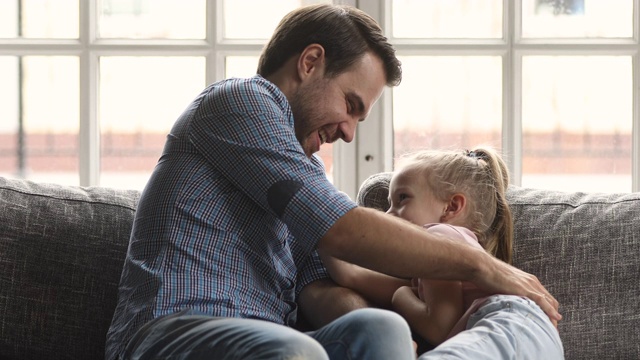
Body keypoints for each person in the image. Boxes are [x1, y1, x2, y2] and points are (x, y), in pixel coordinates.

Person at [105, 4, 561, 360]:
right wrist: (480, 265)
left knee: (380, 330)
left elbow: (323, 289)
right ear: (310, 62)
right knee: (294, 351)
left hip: (273, 342)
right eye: (350, 103)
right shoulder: (241, 102)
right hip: (172, 332)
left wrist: (398, 342)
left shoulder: (297, 175)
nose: (347, 132)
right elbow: (342, 228)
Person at [320, 147, 564, 359]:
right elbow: (350, 275)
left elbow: (439, 326)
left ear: (451, 207)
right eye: (389, 204)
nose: (387, 215)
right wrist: (327, 214)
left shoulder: (439, 234)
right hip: (532, 337)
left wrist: (401, 296)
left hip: (509, 326)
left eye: (402, 198)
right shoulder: (443, 258)